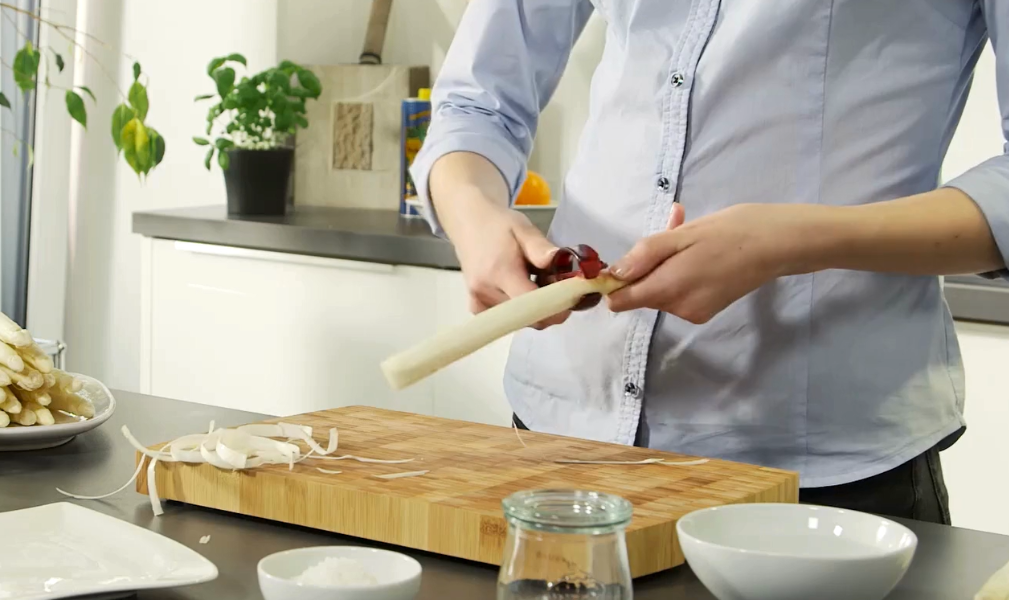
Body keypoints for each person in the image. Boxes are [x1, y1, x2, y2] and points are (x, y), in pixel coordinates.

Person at [411, 0, 1009, 525]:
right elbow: (476, 102)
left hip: (819, 478)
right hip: (559, 435)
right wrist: (474, 216)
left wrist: (798, 240)